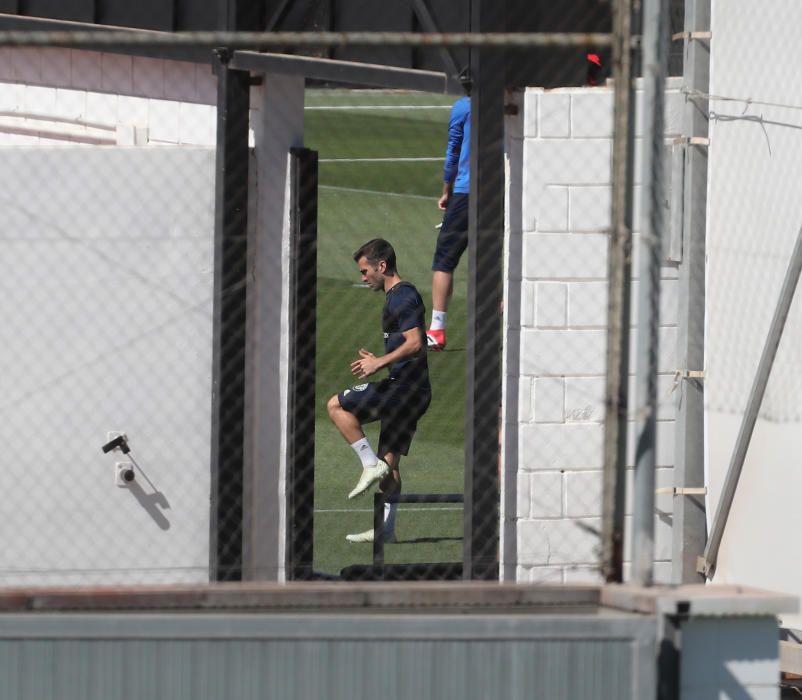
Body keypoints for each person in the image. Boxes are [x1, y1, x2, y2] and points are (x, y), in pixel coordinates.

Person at [326, 238, 432, 544]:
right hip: (411, 389)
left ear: (381, 266)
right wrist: (379, 360)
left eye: (365, 270)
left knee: (335, 405)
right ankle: (386, 530)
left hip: (404, 391)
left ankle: (368, 464)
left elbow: (416, 343)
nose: (363, 277)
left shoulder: (402, 297)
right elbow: (406, 347)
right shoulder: (397, 297)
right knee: (390, 466)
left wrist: (379, 363)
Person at [426, 74, 471, 352]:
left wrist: (447, 189)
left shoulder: (463, 107)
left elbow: (453, 151)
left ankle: (438, 329)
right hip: (504, 187)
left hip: (466, 191)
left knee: (445, 258)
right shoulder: (513, 101)